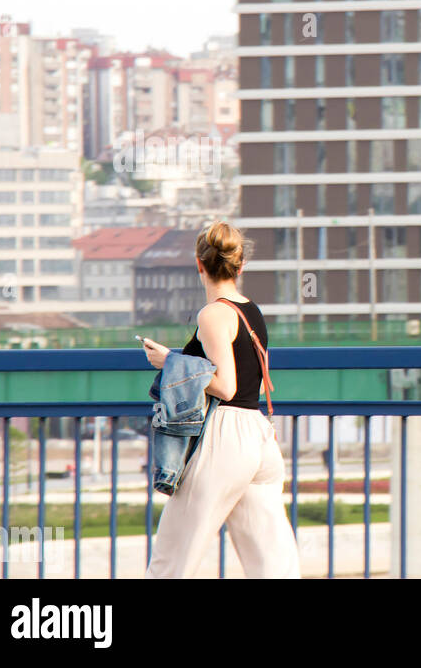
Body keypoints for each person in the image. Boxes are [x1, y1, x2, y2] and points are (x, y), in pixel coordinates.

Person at [141, 222, 301, 579]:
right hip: (259, 436)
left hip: (225, 437)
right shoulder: (251, 311)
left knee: (174, 555)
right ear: (240, 266)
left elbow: (225, 387)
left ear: (199, 264)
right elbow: (255, 385)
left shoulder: (212, 314)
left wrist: (170, 360)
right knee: (272, 562)